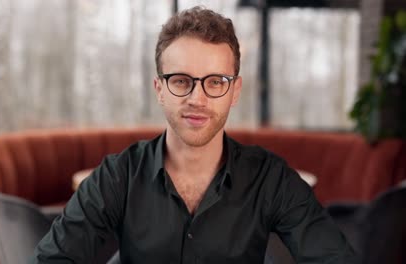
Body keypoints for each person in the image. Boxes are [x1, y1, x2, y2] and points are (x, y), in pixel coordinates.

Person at [31, 6, 354, 263]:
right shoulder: (117, 177)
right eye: (181, 80)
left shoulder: (271, 179)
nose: (197, 99)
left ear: (235, 90)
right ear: (160, 89)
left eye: (215, 82)